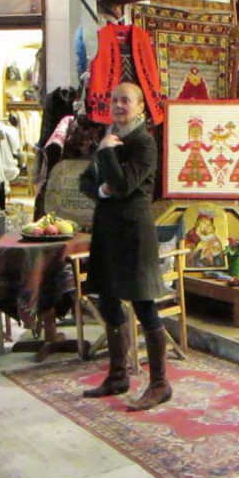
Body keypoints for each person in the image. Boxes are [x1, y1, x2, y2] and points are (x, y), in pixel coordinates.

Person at [79, 82, 171, 411]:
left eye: (126, 101)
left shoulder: (143, 143)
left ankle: (160, 383)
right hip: (108, 231)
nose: (118, 105)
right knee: (108, 301)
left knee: (144, 306)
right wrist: (103, 190)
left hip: (134, 234)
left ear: (140, 107)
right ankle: (118, 375)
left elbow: (122, 183)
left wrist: (105, 153)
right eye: (114, 100)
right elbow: (86, 182)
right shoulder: (110, 136)